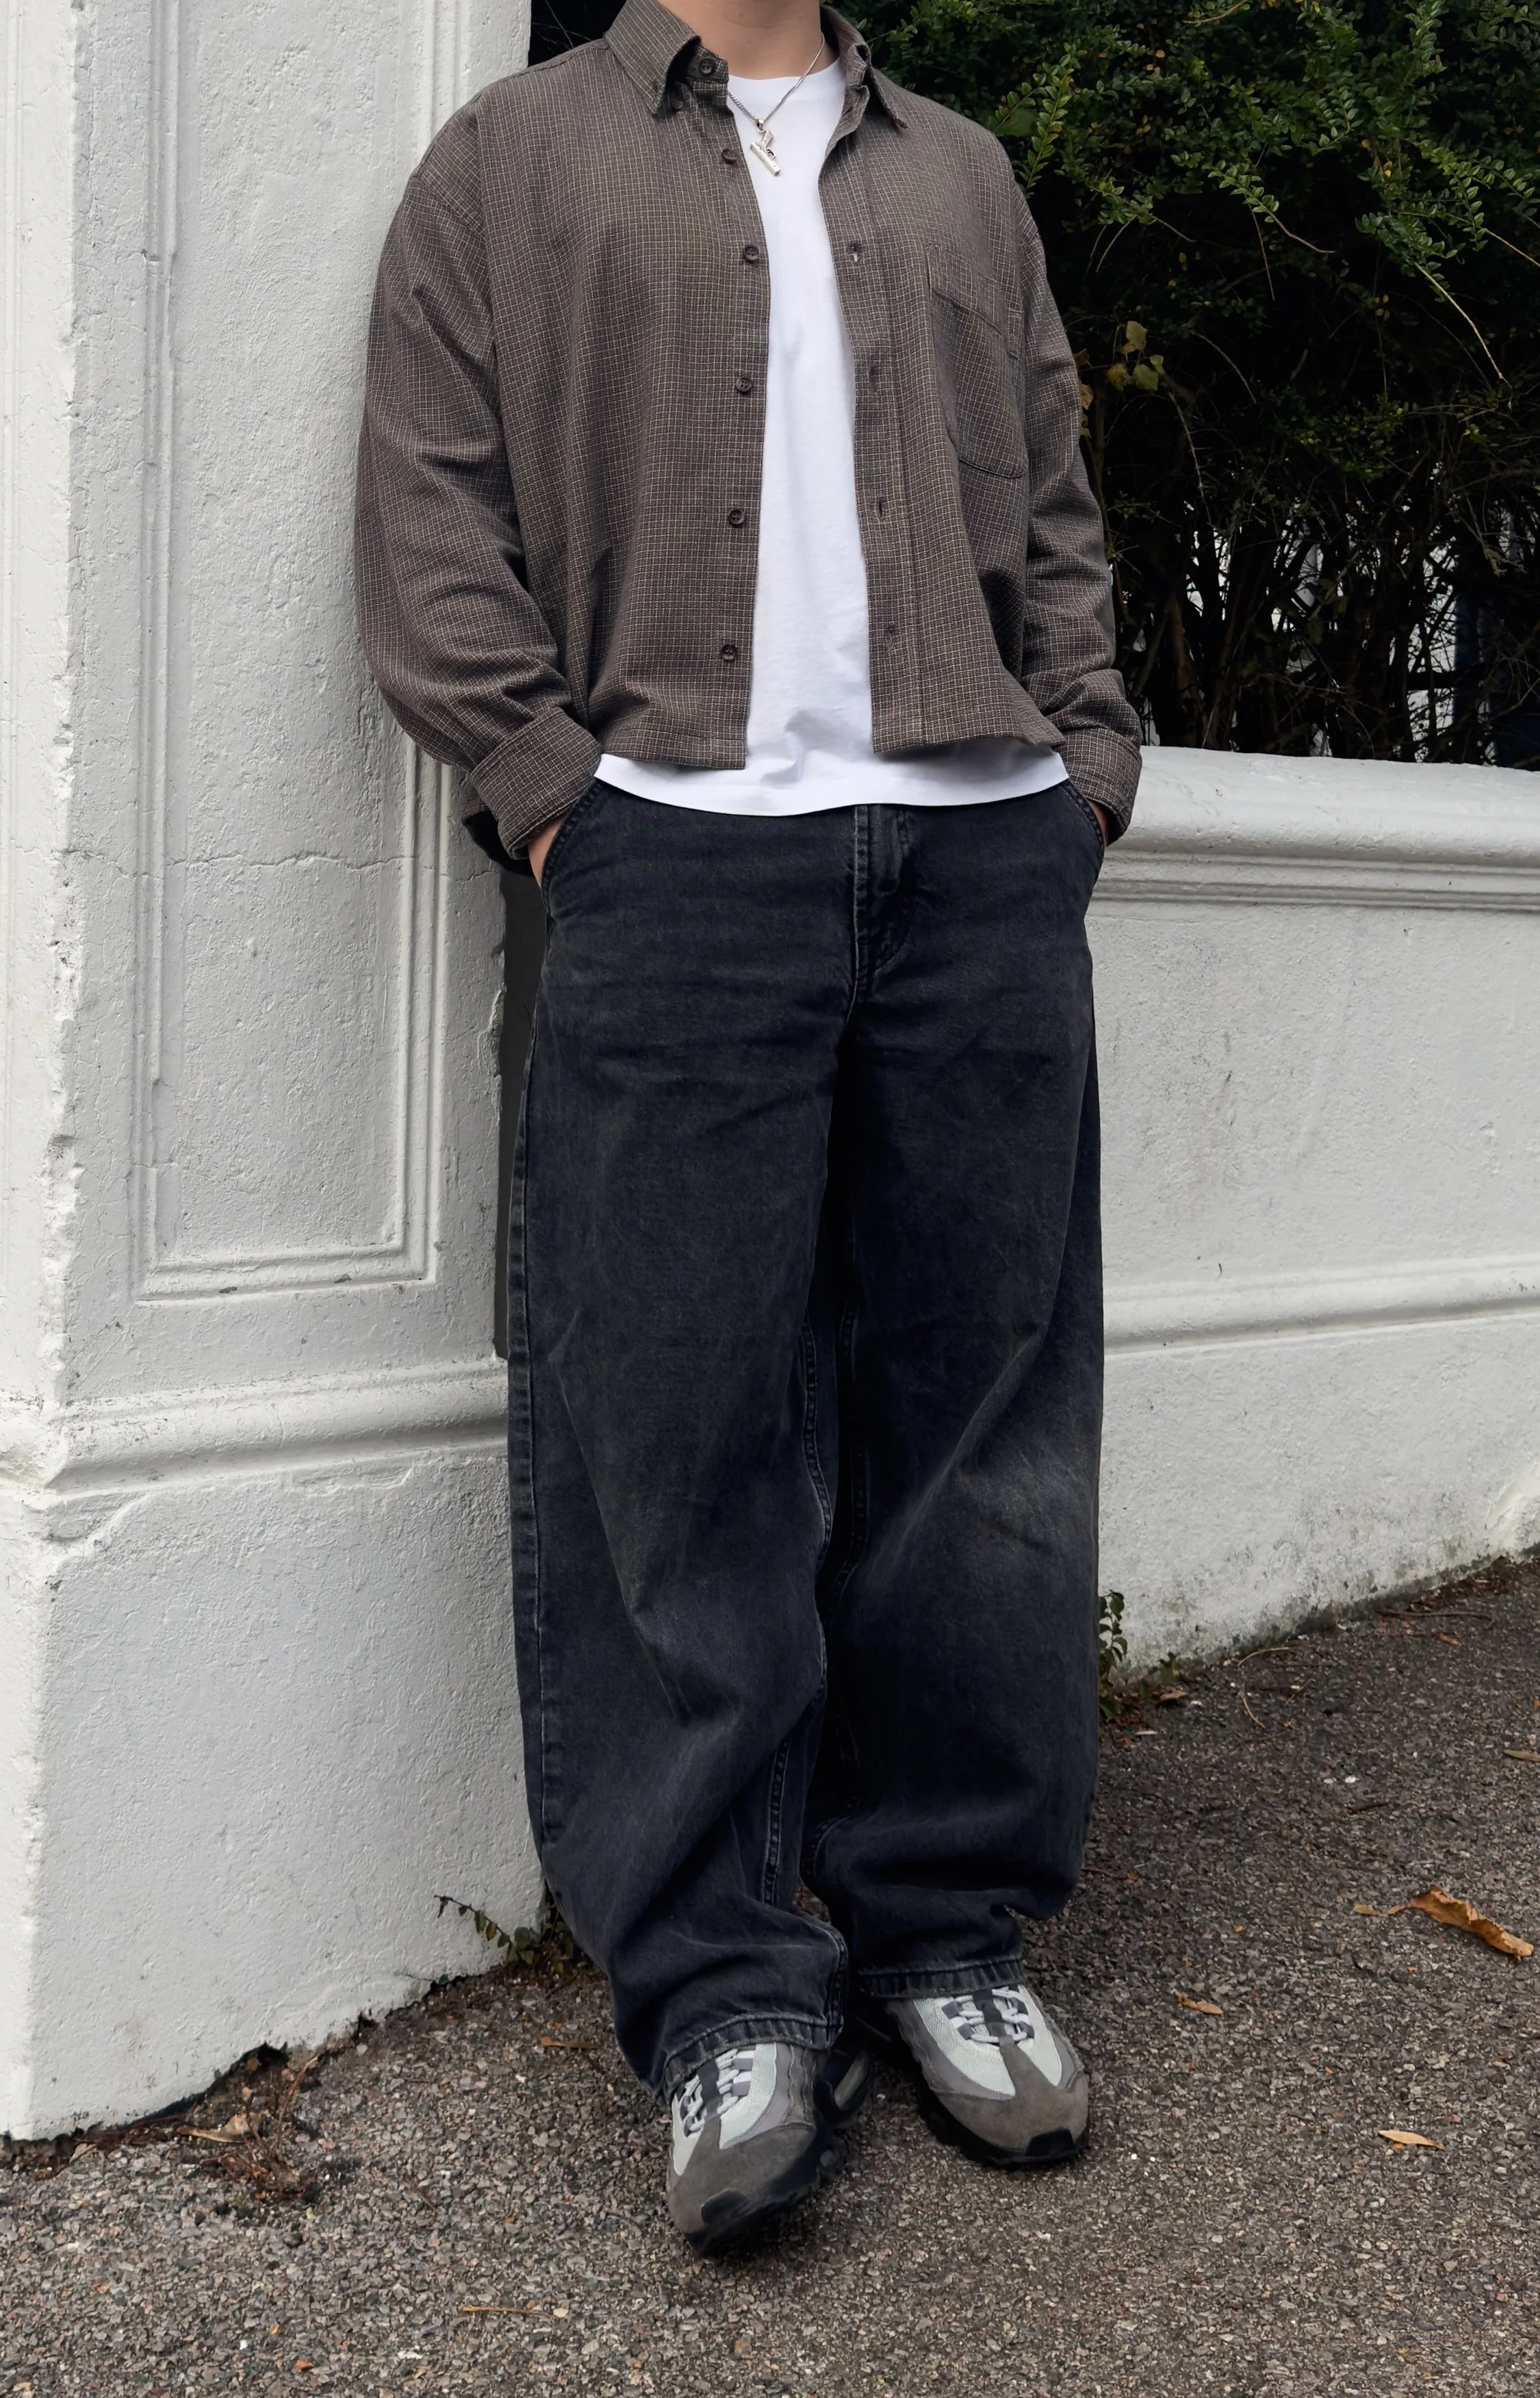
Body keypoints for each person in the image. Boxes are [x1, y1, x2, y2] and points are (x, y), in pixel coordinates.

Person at [355, 0, 1139, 2255]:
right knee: (665, 1422)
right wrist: (551, 800)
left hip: (975, 852)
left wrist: (1073, 771)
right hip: (671, 851)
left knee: (977, 1423)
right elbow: (428, 497)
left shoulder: (957, 176)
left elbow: (1055, 497)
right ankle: (717, 1983)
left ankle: (944, 1928)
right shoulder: (516, 163)